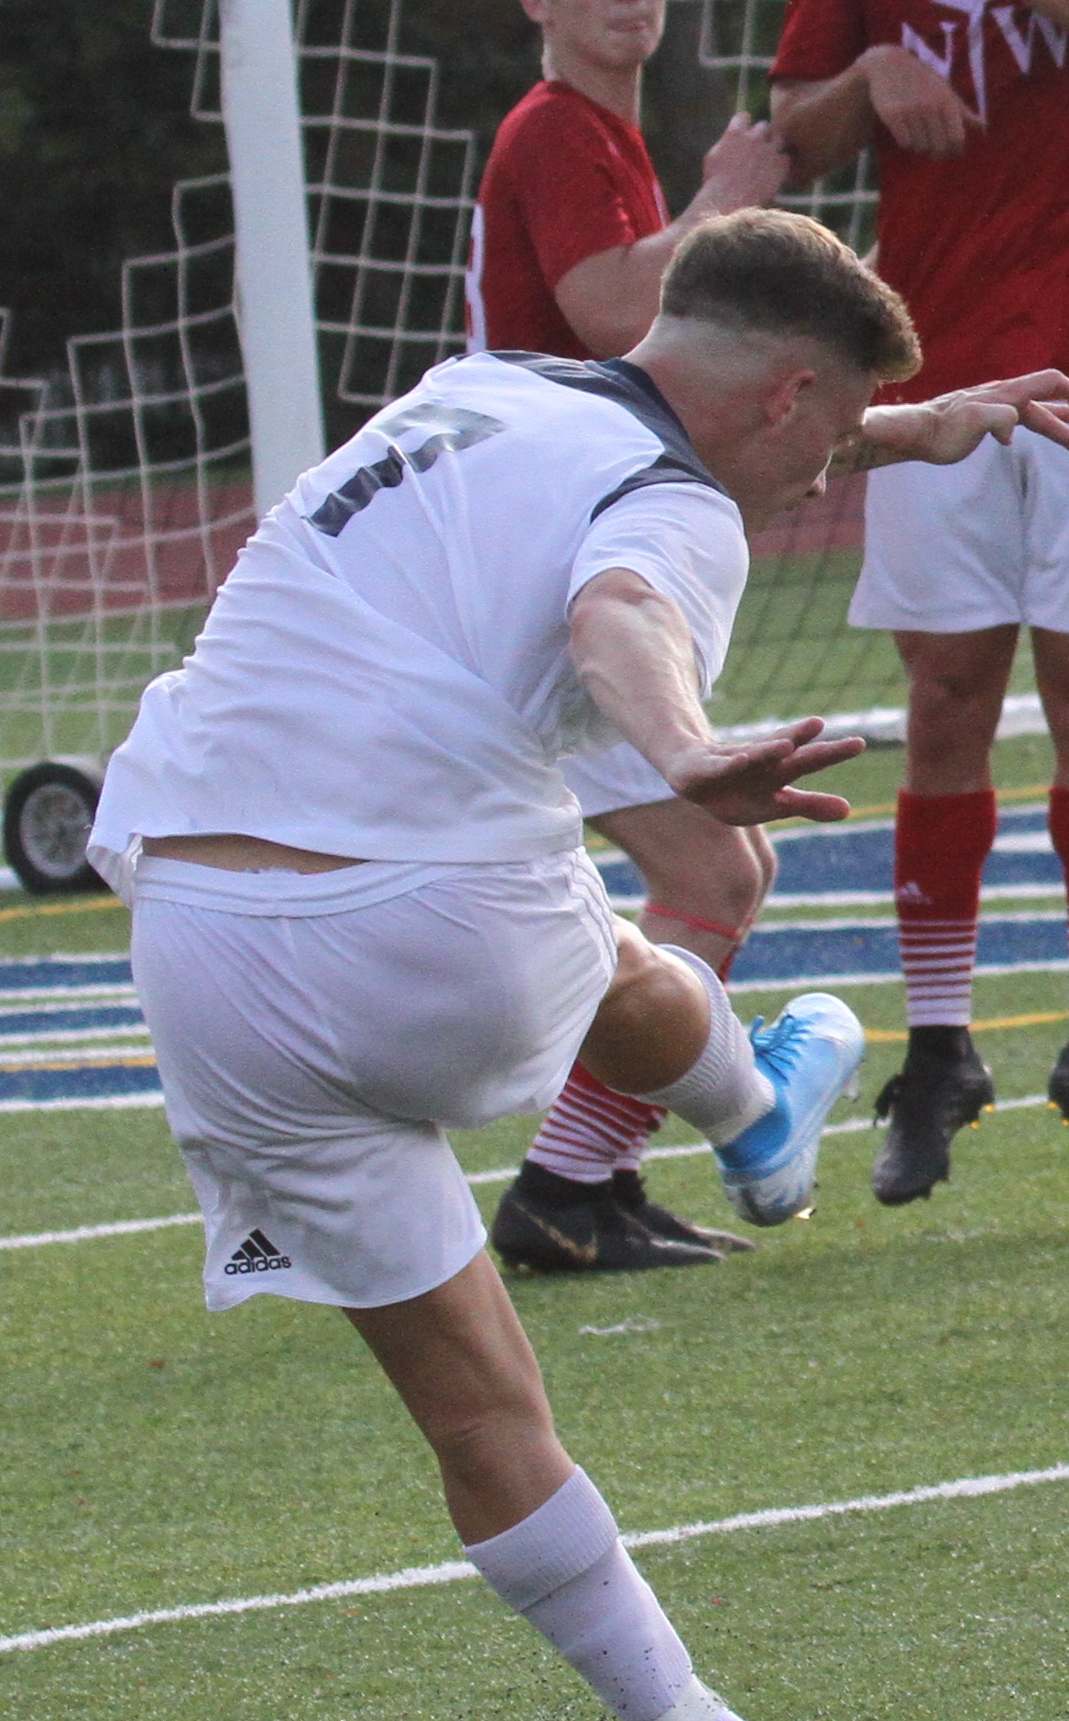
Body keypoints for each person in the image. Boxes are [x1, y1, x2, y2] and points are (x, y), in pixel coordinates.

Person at [87, 211, 1069, 1721]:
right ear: (784, 393)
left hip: (197, 942)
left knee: (479, 1408)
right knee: (656, 908)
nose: (818, 483)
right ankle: (754, 1109)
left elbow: (676, 443)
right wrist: (687, 749)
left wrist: (910, 423)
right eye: (829, 438)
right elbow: (620, 602)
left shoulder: (474, 387)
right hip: (428, 932)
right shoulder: (680, 507)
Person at [771, 0, 1069, 1212]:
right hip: (928, 362)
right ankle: (937, 1053)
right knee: (946, 696)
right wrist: (874, 68)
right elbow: (795, 134)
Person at [470, 0, 800, 1274]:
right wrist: (725, 203)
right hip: (544, 561)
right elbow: (613, 314)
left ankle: (591, 1178)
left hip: (558, 541)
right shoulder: (555, 130)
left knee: (731, 864)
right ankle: (563, 1184)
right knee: (715, 871)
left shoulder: (599, 137)